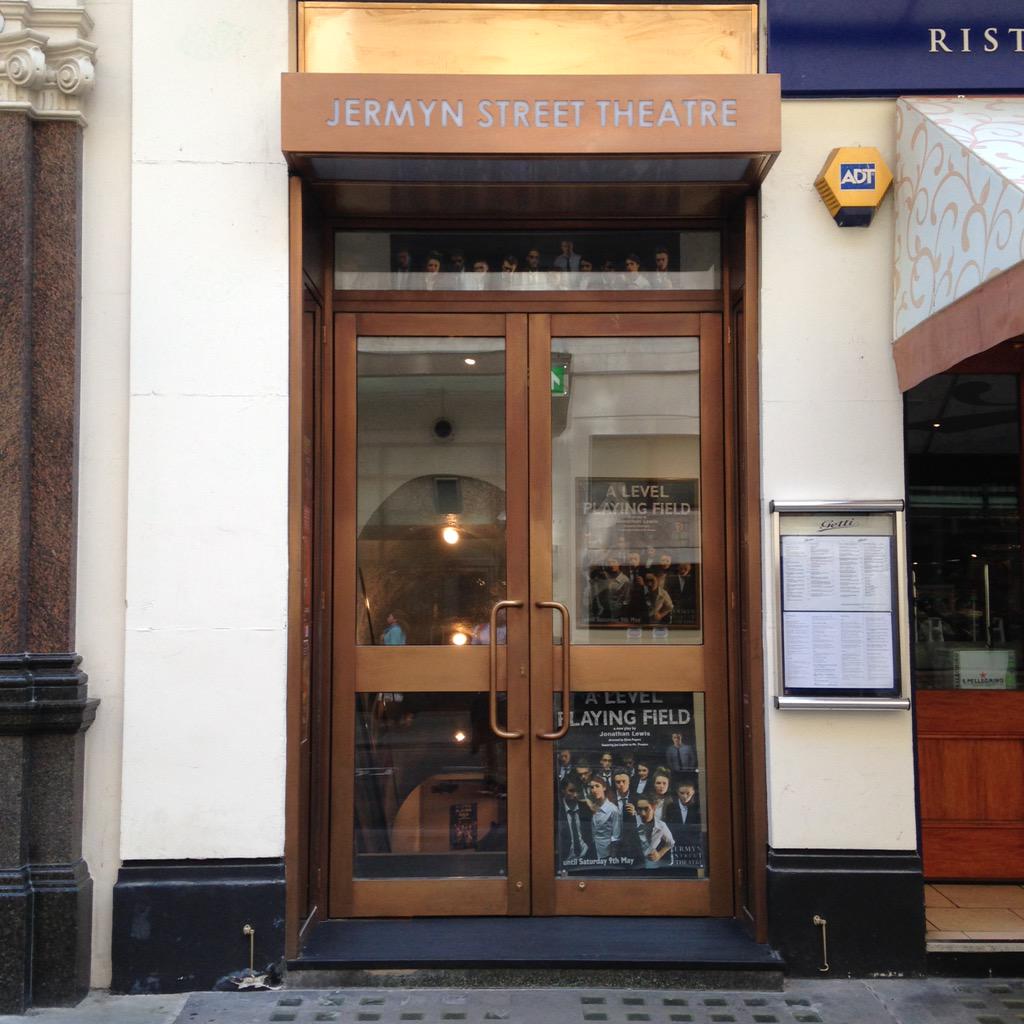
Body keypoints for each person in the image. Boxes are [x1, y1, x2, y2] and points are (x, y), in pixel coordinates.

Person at [583, 777, 621, 860]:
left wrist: (612, 857)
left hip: (607, 853)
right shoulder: (592, 807)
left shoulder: (613, 809)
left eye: (597, 786)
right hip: (593, 851)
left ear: (604, 787)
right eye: (592, 787)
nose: (594, 790)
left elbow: (616, 836)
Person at [634, 797, 675, 868]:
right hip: (633, 863)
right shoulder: (633, 822)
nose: (643, 813)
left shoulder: (661, 825)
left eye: (646, 809)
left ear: (653, 808)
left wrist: (659, 854)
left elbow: (671, 843)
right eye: (639, 809)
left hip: (650, 864)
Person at [558, 777, 591, 863]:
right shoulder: (557, 809)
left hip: (586, 857)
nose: (575, 794)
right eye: (571, 791)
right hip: (565, 859)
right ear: (563, 791)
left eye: (578, 791)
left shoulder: (585, 808)